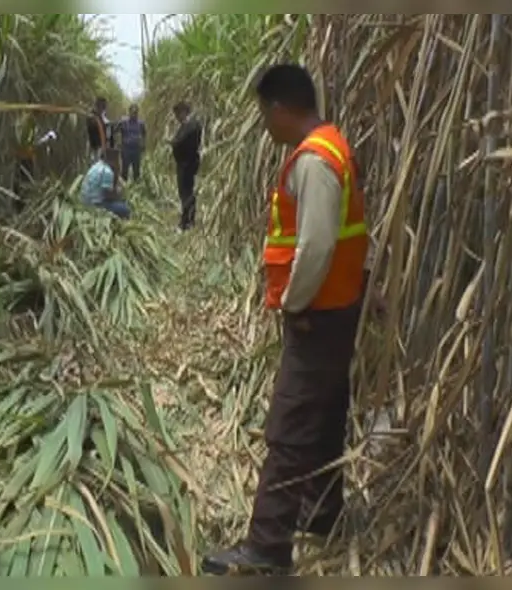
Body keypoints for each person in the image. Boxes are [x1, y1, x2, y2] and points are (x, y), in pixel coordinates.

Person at [201, 64, 369, 576]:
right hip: (340, 306)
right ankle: (320, 514)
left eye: (264, 115)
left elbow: (316, 245)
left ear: (279, 109)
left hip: (317, 315)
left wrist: (294, 304)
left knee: (290, 426)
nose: (265, 127)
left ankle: (267, 546)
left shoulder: (314, 161)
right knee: (324, 414)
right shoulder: (335, 145)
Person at [169, 101, 202, 231]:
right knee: (186, 192)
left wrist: (173, 142)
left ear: (184, 111)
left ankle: (185, 222)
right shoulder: (186, 125)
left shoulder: (192, 125)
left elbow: (180, 141)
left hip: (187, 164)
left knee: (186, 192)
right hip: (184, 163)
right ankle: (189, 220)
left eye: (178, 113)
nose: (176, 117)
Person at [80, 147, 131, 219]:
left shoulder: (97, 165)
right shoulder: (107, 172)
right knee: (125, 210)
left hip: (85, 201)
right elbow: (109, 196)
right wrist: (120, 191)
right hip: (95, 205)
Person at [117, 104, 147, 182]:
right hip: (126, 149)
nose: (134, 114)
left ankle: (136, 189)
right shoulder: (124, 122)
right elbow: (116, 131)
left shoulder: (141, 123)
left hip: (136, 149)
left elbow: (144, 134)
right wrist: (118, 143)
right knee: (124, 171)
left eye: (136, 112)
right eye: (132, 112)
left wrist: (143, 144)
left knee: (136, 171)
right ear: (129, 112)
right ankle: (124, 189)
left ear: (138, 113)